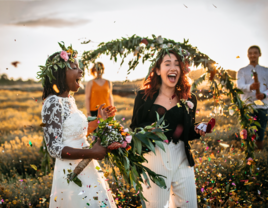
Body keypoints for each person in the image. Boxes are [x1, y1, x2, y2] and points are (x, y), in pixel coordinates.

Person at [38, 43, 117, 208]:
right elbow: (54, 148)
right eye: (74, 67)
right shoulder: (52, 103)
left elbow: (78, 132)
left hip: (87, 167)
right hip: (70, 171)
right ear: (60, 73)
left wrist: (100, 120)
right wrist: (92, 152)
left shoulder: (70, 100)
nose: (81, 71)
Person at [130, 49, 209, 208]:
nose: (173, 68)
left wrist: (198, 130)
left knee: (189, 205)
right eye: (167, 64)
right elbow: (135, 129)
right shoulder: (144, 97)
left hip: (182, 158)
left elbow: (186, 132)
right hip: (153, 157)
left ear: (182, 69)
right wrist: (153, 130)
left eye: (177, 64)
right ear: (158, 70)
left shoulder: (189, 98)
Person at [237, 45, 268, 150]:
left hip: (262, 106)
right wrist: (250, 87)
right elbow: (239, 87)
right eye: (250, 53)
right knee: (247, 132)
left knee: (260, 132)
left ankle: (259, 156)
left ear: (259, 54)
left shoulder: (266, 71)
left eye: (255, 53)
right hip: (248, 105)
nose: (252, 55)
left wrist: (264, 95)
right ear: (247, 55)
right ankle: (248, 156)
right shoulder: (242, 71)